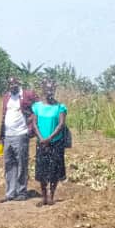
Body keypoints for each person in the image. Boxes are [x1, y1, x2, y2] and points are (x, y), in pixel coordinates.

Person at [0, 75, 38, 202]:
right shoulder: (7, 97)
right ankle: (10, 193)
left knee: (22, 163)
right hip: (8, 135)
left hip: (21, 134)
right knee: (9, 164)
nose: (12, 86)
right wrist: (1, 136)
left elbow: (38, 108)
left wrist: (32, 122)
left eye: (14, 84)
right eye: (10, 84)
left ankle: (21, 192)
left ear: (18, 84)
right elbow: (4, 116)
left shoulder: (27, 95)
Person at [30, 79, 67, 207]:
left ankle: (51, 196)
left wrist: (49, 138)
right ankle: (44, 196)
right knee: (42, 170)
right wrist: (41, 138)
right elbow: (34, 123)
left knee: (54, 170)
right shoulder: (37, 106)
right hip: (41, 142)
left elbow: (61, 124)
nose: (49, 91)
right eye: (47, 89)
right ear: (43, 89)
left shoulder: (60, 107)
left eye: (52, 89)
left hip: (55, 142)